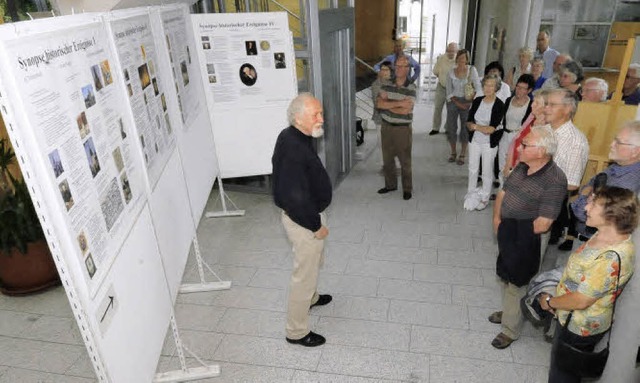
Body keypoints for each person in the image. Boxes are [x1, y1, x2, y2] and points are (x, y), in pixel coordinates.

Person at [539, 186, 638, 383]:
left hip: (578, 325)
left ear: (613, 215)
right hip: (569, 315)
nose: (586, 208)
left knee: (563, 375)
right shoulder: (603, 234)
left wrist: (550, 302)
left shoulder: (610, 257)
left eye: (593, 204)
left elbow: (581, 300)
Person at [490, 126, 568, 349]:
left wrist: (514, 233)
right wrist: (497, 220)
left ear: (542, 151)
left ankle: (509, 330)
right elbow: (504, 193)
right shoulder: (524, 166)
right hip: (508, 230)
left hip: (527, 237)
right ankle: (509, 311)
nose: (520, 147)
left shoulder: (555, 180)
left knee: (518, 280)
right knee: (505, 274)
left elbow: (544, 223)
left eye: (526, 145)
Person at [272, 93, 333, 347]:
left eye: (321, 113)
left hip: (309, 213)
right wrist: (316, 226)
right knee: (304, 274)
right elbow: (294, 198)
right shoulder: (294, 148)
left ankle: (311, 297)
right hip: (303, 221)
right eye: (315, 115)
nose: (322, 119)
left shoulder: (295, 135)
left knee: (315, 260)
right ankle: (296, 331)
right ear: (298, 118)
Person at [559, 121, 640, 251]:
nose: (611, 145)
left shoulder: (626, 184)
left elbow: (582, 213)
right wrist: (589, 192)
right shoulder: (618, 167)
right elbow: (591, 182)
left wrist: (586, 194)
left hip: (596, 247)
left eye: (618, 142)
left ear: (636, 151)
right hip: (588, 239)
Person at [544, 88, 589, 249]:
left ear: (568, 109)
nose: (546, 108)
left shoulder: (576, 141)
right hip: (526, 197)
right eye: (546, 104)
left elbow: (572, 183)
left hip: (547, 203)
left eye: (552, 105)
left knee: (534, 251)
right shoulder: (544, 130)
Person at [376, 55, 416, 200]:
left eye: (403, 66)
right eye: (397, 65)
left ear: (408, 69)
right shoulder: (387, 83)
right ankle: (390, 185)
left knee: (405, 160)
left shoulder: (411, 87)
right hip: (386, 127)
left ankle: (407, 189)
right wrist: (399, 103)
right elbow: (380, 104)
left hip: (402, 129)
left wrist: (389, 103)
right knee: (387, 159)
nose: (399, 69)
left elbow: (406, 110)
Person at [464, 73, 505, 211]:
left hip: (489, 143)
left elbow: (491, 129)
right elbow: (469, 122)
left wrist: (476, 127)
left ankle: (485, 198)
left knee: (487, 171)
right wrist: (475, 127)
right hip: (474, 140)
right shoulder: (477, 100)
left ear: (496, 88)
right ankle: (471, 194)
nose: (487, 88)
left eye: (491, 85)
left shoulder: (499, 105)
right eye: (486, 85)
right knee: (473, 168)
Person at [502, 89, 549, 179]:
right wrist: (508, 164)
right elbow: (516, 139)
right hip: (516, 165)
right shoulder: (531, 117)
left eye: (537, 103)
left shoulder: (547, 127)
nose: (532, 105)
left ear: (546, 107)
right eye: (533, 101)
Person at [445, 49, 481, 165]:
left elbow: (478, 87)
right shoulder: (451, 71)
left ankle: (462, 154)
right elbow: (449, 91)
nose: (461, 60)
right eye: (459, 58)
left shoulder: (472, 70)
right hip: (453, 101)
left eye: (464, 58)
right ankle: (453, 152)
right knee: (451, 128)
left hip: (468, 101)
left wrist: (471, 102)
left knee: (465, 128)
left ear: (467, 59)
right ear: (457, 59)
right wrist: (458, 103)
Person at [498, 74, 534, 186]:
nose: (519, 90)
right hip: (505, 135)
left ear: (529, 90)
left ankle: (511, 194)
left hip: (519, 138)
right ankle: (501, 190)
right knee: (502, 165)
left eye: (523, 88)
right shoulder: (508, 100)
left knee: (515, 167)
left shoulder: (531, 105)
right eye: (518, 87)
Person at [429, 42, 458, 135]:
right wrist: (442, 78)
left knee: (451, 110)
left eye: (452, 51)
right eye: (448, 51)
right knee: (438, 108)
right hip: (441, 87)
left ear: (456, 51)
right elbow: (435, 71)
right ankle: (435, 128)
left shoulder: (459, 60)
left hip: (453, 89)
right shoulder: (441, 58)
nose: (450, 53)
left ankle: (448, 128)